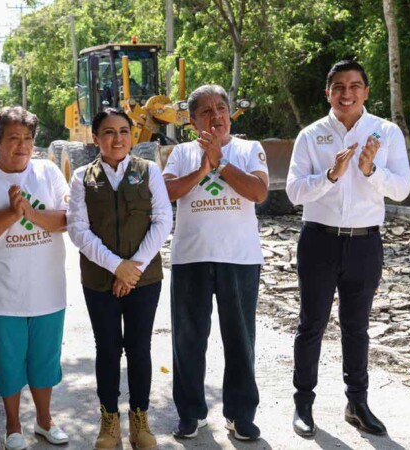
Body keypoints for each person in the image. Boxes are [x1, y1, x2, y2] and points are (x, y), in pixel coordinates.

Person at [286, 60, 410, 437]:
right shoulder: (311, 135)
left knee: (357, 328)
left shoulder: (385, 132)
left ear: (366, 91)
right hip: (319, 240)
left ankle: (357, 403)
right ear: (328, 92)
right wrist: (330, 176)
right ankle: (303, 404)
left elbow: (402, 189)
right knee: (311, 325)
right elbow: (293, 191)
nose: (347, 93)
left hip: (365, 243)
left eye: (355, 85)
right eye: (338, 86)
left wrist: (371, 170)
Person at [0, 107, 70, 450]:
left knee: (45, 361)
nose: (21, 145)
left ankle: (45, 420)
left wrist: (29, 212)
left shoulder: (48, 172)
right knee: (8, 364)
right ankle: (12, 425)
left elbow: (66, 219)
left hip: (47, 289)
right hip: (0, 292)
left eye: (27, 138)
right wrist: (10, 212)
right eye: (13, 138)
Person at [163, 85, 269, 442]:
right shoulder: (179, 153)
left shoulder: (249, 149)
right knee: (188, 339)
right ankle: (191, 414)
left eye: (221, 108)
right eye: (206, 111)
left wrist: (221, 163)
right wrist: (202, 167)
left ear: (230, 114)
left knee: (240, 339)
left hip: (239, 258)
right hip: (190, 257)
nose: (216, 116)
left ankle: (240, 415)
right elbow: (166, 193)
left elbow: (258, 192)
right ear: (192, 121)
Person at [67, 108, 172, 450]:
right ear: (96, 138)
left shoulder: (149, 171)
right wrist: (116, 267)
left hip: (144, 279)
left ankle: (140, 418)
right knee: (108, 348)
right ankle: (109, 419)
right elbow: (79, 230)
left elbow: (162, 222)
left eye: (124, 131)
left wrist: (134, 267)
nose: (118, 139)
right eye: (109, 132)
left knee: (139, 347)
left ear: (132, 135)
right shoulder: (82, 176)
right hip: (99, 280)